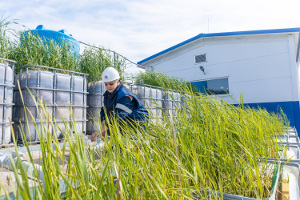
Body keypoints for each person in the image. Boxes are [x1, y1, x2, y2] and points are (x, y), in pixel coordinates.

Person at [91, 67, 149, 142]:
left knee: (130, 141)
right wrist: (102, 126)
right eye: (106, 84)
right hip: (124, 119)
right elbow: (104, 111)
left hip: (137, 121)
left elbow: (118, 115)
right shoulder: (108, 94)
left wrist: (100, 131)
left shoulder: (125, 96)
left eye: (111, 84)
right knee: (114, 134)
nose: (108, 87)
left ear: (118, 81)